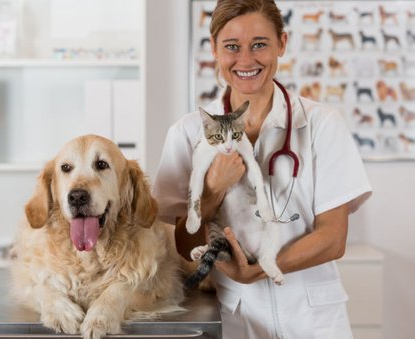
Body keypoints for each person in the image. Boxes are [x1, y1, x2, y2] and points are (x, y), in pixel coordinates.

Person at [153, 0, 372, 338]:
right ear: (213, 49)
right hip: (238, 317)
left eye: (259, 44)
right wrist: (211, 190)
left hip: (314, 320)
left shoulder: (320, 124)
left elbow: (333, 238)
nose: (246, 60)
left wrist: (258, 270)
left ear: (281, 44)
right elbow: (184, 244)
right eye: (231, 47)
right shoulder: (187, 134)